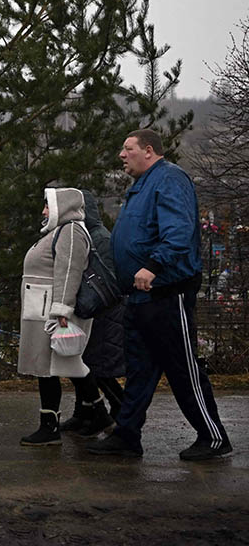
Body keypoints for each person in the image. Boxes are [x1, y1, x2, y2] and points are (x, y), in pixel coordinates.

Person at [89, 129, 233, 461]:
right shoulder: (140, 187)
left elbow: (178, 230)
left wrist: (154, 265)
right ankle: (127, 436)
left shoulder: (169, 179)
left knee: (183, 367)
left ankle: (213, 437)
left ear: (149, 151)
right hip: (139, 298)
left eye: (128, 149)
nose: (121, 155)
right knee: (139, 370)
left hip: (167, 294)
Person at [17, 188, 106, 446]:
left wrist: (62, 310)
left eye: (48, 206)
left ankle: (51, 426)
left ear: (62, 206)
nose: (44, 211)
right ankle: (97, 415)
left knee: (57, 367)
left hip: (51, 312)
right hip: (42, 310)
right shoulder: (59, 232)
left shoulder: (71, 232)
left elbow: (69, 272)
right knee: (50, 368)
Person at [61, 190, 124, 436]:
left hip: (104, 313)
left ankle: (118, 407)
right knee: (86, 363)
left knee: (95, 368)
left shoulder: (99, 238)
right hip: (94, 311)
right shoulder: (88, 234)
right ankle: (84, 413)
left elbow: (108, 279)